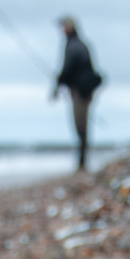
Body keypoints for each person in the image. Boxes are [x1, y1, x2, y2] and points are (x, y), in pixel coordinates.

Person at [51, 17, 103, 171]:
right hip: (84, 91)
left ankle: (82, 164)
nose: (61, 30)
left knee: (80, 127)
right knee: (81, 127)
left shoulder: (73, 46)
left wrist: (57, 86)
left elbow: (66, 69)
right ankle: (82, 163)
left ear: (70, 27)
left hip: (80, 92)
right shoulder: (81, 45)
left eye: (63, 27)